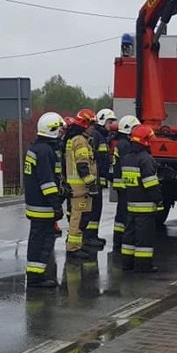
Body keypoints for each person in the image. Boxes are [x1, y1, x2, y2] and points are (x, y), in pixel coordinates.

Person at [24, 112, 66, 288]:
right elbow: (47, 182)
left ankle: (35, 274)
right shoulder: (46, 151)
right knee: (43, 241)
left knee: (37, 239)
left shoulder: (35, 148)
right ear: (52, 130)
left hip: (35, 203)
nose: (62, 132)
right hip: (43, 206)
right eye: (59, 129)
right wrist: (56, 205)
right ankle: (36, 277)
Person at [121, 124, 162, 272]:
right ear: (145, 140)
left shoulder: (126, 158)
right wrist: (159, 201)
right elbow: (150, 184)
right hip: (145, 205)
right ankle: (143, 266)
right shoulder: (146, 159)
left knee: (129, 236)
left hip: (131, 203)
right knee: (144, 238)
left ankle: (127, 263)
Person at [64, 108, 100, 260]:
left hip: (76, 187)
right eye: (92, 125)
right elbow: (83, 166)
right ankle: (73, 249)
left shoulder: (75, 139)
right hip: (80, 188)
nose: (93, 128)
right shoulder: (80, 141)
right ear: (85, 124)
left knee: (79, 218)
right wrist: (92, 184)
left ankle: (76, 245)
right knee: (78, 219)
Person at [87, 108, 117, 245]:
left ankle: (93, 235)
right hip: (95, 179)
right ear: (102, 120)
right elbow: (99, 160)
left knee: (96, 208)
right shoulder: (97, 136)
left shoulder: (101, 135)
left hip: (98, 179)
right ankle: (90, 237)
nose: (111, 125)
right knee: (94, 209)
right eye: (110, 122)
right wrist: (110, 176)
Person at [111, 115, 141, 252]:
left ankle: (118, 239)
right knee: (124, 214)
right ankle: (121, 241)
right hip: (124, 184)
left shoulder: (121, 143)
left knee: (121, 213)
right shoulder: (125, 145)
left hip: (120, 183)